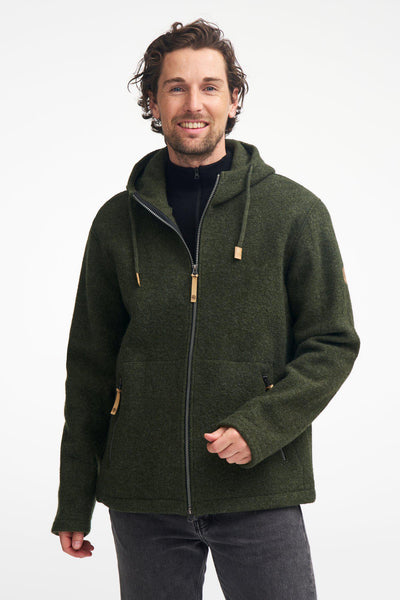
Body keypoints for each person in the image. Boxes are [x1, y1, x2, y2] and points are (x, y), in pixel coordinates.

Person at [51, 18, 360, 599]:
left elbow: (333, 342)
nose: (194, 104)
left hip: (257, 484)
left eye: (210, 87)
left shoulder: (295, 212)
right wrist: (74, 497)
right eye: (176, 87)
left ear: (233, 99)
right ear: (153, 102)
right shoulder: (117, 222)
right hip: (143, 495)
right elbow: (89, 364)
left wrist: (260, 427)